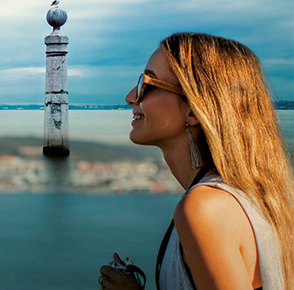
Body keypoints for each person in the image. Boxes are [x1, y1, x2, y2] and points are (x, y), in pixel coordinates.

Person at [97, 32, 294, 290]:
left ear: (193, 109)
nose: (131, 96)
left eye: (147, 83)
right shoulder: (259, 196)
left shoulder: (204, 209)